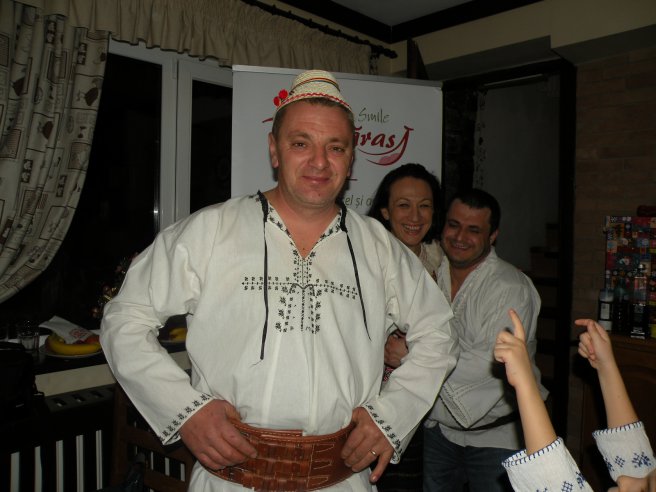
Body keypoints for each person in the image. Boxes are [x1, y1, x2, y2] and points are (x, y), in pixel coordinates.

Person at [100, 69, 459, 491]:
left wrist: (392, 416)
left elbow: (439, 332)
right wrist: (186, 410)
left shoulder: (379, 247)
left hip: (342, 481)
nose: (319, 162)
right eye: (300, 143)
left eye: (335, 147)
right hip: (231, 481)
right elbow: (124, 320)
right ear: (274, 150)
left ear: (350, 159)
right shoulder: (211, 231)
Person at [419, 188, 546, 492]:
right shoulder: (431, 274)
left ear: (493, 236)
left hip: (497, 437)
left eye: (473, 230)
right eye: (453, 225)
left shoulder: (510, 287)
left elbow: (490, 361)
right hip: (439, 432)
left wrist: (411, 354)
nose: (460, 236)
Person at [496, 312, 656, 491]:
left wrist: (525, 381)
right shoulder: (637, 477)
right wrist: (605, 365)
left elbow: (556, 485)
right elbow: (638, 462)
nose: (624, 480)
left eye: (643, 490)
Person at [367, 163, 444, 491]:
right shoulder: (365, 260)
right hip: (374, 408)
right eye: (403, 205)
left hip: (428, 413)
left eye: (424, 205)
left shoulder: (442, 262)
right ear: (385, 211)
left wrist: (410, 352)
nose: (415, 216)